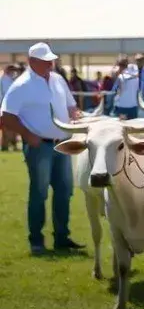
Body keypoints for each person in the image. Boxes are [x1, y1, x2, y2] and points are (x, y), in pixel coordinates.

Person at [1, 43, 85, 255]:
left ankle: (62, 238)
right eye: (46, 60)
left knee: (64, 191)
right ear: (32, 62)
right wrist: (28, 135)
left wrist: (75, 114)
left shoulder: (57, 79)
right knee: (39, 193)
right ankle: (37, 241)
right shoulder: (21, 85)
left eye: (51, 60)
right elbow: (6, 116)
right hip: (40, 147)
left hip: (62, 144)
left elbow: (70, 106)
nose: (50, 63)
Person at [2, 64, 19, 150]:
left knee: (13, 128)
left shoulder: (12, 80)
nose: (14, 72)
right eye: (12, 70)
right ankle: (5, 145)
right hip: (6, 108)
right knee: (6, 128)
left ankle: (12, 145)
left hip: (13, 108)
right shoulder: (4, 81)